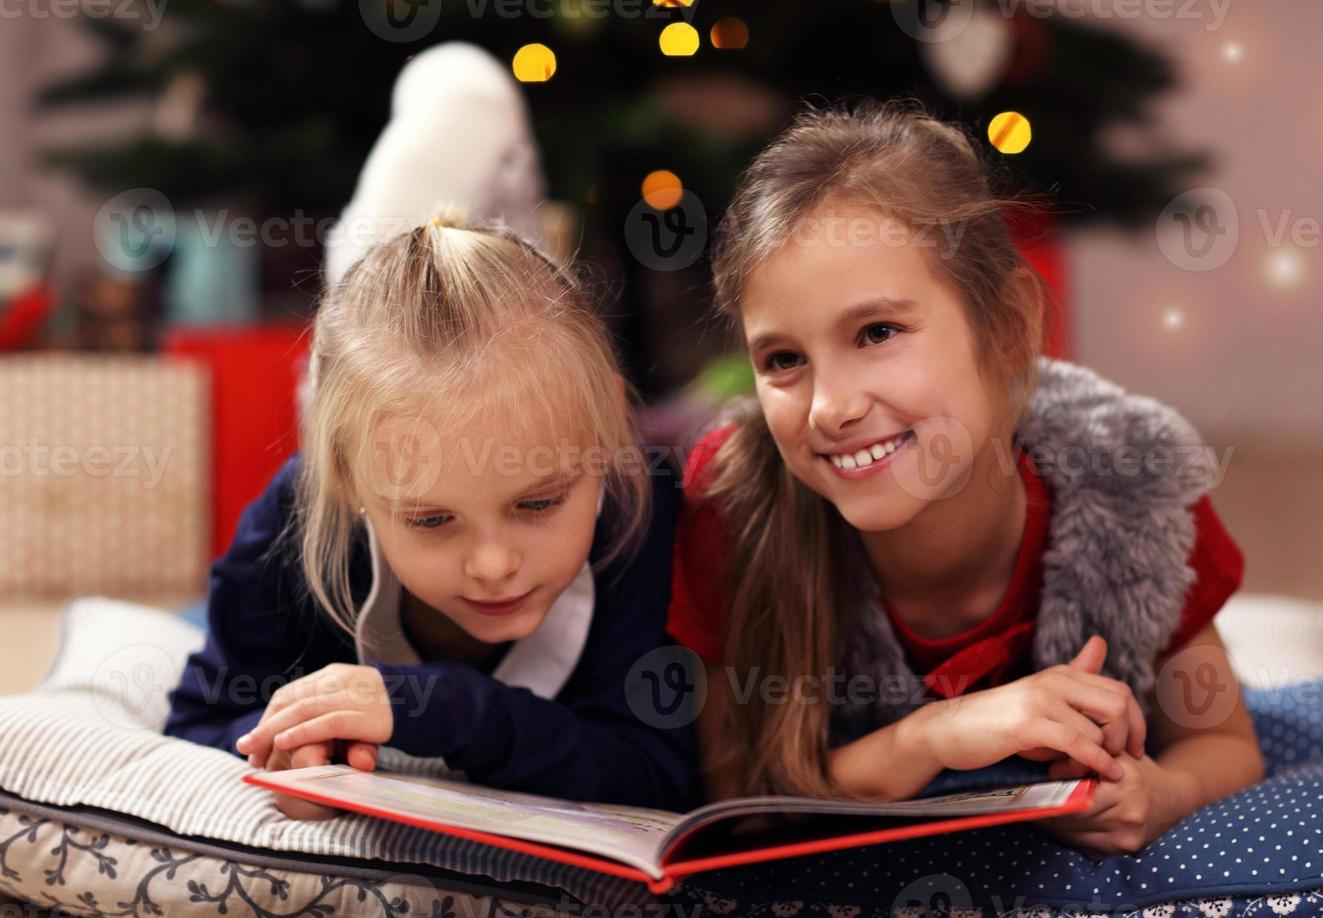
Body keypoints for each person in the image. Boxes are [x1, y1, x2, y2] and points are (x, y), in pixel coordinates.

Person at [668, 103, 1265, 859]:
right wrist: (934, 737)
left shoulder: (1133, 487)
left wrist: (1160, 794)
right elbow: (734, 803)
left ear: (1009, 326)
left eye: (877, 333)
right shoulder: (732, 503)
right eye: (783, 359)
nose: (831, 408)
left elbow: (1226, 745)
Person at [164, 214, 699, 819]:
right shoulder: (296, 515)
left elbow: (659, 774)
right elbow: (197, 721)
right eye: (431, 520)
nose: (495, 565)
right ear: (344, 475)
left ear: (606, 424)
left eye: (540, 502)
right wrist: (290, 748)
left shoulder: (643, 508)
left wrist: (444, 709)